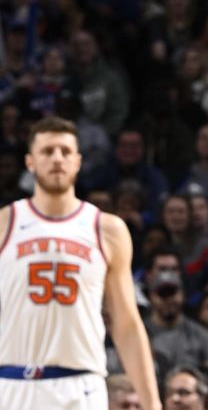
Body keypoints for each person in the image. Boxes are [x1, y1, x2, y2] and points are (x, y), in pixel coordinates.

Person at [0, 116, 160, 409]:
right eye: (47, 151)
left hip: (80, 385)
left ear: (78, 161)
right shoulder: (4, 223)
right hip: (11, 383)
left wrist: (153, 404)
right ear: (30, 162)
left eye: (65, 151)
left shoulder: (106, 229)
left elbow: (126, 324)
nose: (57, 158)